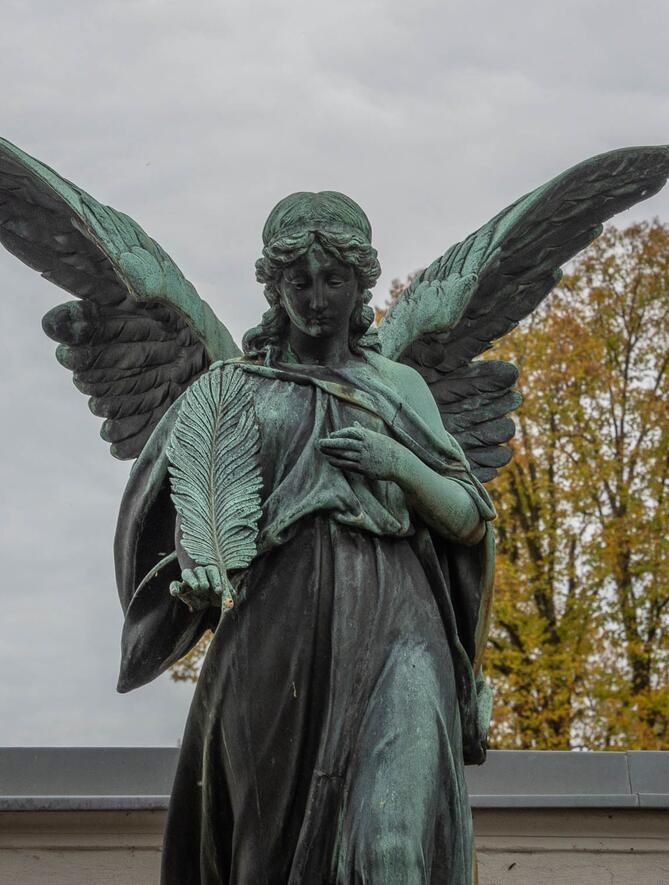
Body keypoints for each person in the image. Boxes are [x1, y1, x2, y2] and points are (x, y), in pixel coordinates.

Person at [113, 191, 496, 884]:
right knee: (266, 859)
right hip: (274, 634)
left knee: (393, 850)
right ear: (274, 285)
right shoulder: (234, 388)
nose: (318, 298)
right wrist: (200, 575)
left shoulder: (399, 385)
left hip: (399, 628)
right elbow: (189, 518)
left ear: (360, 286)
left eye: (335, 280)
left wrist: (399, 465)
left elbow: (469, 518)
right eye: (300, 281)